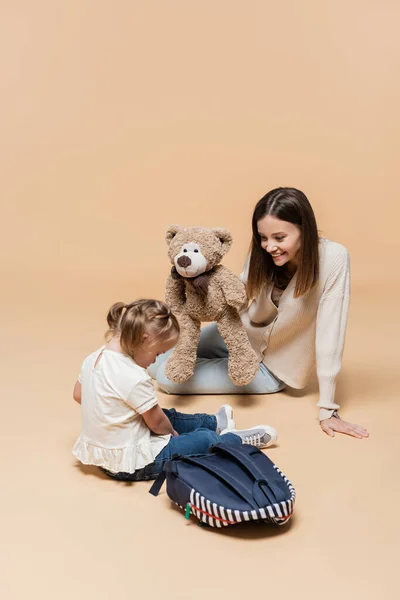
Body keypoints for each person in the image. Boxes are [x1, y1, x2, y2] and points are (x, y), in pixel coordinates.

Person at [149, 188, 369, 440]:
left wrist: (328, 409)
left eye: (279, 237)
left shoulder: (333, 258)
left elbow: (331, 332)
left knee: (166, 377)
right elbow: (237, 297)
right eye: (263, 237)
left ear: (304, 230)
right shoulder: (262, 252)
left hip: (271, 369)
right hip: (237, 334)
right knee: (154, 363)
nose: (270, 246)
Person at [72, 299, 278, 482]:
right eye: (157, 353)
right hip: (129, 465)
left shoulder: (94, 357)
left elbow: (78, 395)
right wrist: (172, 435)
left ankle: (215, 422)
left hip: (102, 454)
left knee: (165, 413)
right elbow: (157, 423)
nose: (154, 360)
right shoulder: (133, 376)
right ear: (143, 340)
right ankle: (232, 440)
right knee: (198, 438)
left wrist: (109, 411)